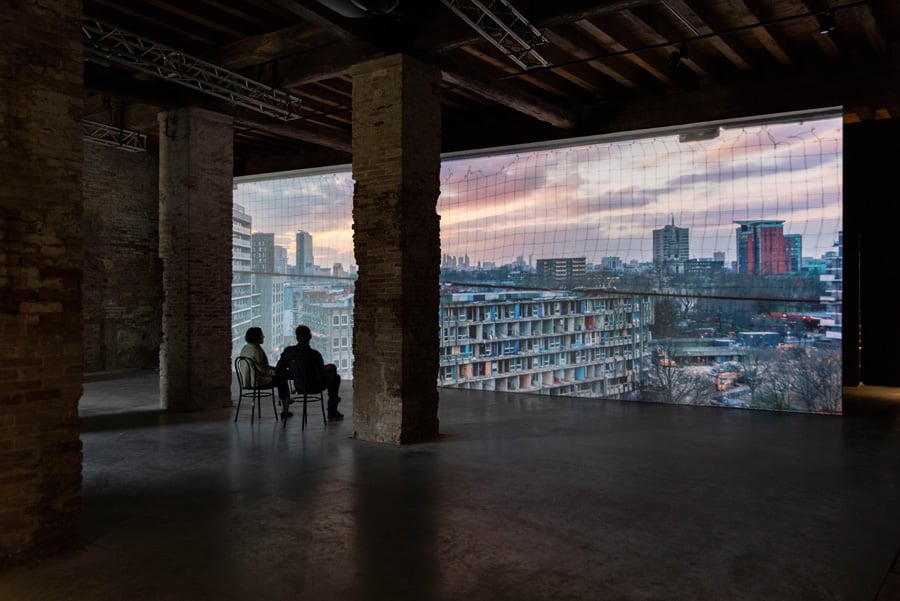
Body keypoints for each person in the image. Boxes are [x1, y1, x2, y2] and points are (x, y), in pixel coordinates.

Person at [276, 324, 343, 421]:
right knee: (335, 376)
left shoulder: (288, 352)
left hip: (298, 386)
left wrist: (295, 374)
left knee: (331, 370)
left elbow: (279, 369)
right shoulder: (314, 355)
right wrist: (328, 370)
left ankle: (334, 401)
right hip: (315, 387)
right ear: (310, 337)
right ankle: (332, 409)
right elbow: (320, 376)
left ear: (297, 337)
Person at [239, 327, 292, 418]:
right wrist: (275, 372)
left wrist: (274, 369)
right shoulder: (257, 351)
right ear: (257, 337)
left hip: (247, 380)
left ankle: (284, 399)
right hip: (257, 381)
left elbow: (259, 366)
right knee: (282, 378)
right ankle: (285, 406)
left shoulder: (246, 348)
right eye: (261, 335)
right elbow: (264, 371)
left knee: (281, 375)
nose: (263, 337)